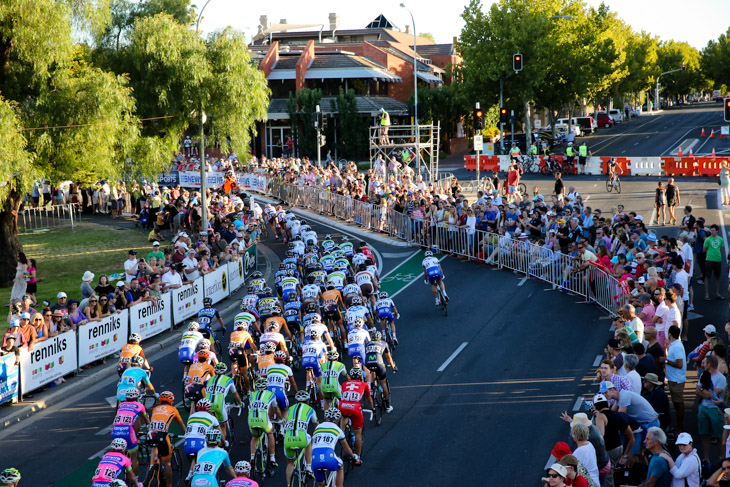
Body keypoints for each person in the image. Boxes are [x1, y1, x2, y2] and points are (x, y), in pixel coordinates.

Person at [147, 391, 186, 487]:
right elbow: (181, 424)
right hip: (162, 435)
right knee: (167, 463)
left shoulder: (155, 409)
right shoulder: (173, 409)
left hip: (151, 434)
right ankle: (169, 485)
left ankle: (153, 463)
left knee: (154, 445)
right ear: (171, 401)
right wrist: (186, 433)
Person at [311, 408, 357, 487]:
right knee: (340, 466)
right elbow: (346, 447)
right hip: (329, 456)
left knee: (320, 485)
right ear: (338, 420)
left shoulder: (318, 427)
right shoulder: (338, 430)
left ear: (325, 418)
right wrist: (354, 456)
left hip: (315, 459)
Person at [697, 354, 727, 468]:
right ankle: (706, 459)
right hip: (704, 409)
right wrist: (708, 394)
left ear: (709, 364)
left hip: (716, 411)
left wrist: (704, 392)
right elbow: (697, 391)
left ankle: (722, 459)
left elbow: (715, 394)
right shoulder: (703, 375)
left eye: (705, 363)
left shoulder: (721, 378)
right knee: (705, 435)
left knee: (720, 437)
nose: (703, 364)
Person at [339, 367, 373, 463]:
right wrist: (373, 409)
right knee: (358, 433)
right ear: (360, 376)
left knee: (344, 415)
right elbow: (369, 399)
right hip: (355, 408)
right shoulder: (364, 384)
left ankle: (341, 433)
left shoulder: (345, 383)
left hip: (343, 405)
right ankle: (357, 458)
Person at [283, 390, 318, 484]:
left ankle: (289, 484)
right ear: (308, 401)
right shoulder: (310, 409)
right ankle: (308, 467)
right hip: (301, 438)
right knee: (309, 441)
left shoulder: (290, 409)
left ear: (295, 401)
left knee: (290, 463)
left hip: (288, 439)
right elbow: (317, 425)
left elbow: (285, 422)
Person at [247, 378, 281, 472]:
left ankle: (252, 458)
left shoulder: (251, 395)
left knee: (255, 436)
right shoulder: (271, 394)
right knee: (270, 433)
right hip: (263, 420)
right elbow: (276, 409)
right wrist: (281, 418)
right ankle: (273, 458)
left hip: (252, 420)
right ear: (267, 387)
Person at [205, 362, 242, 446]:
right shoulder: (229, 380)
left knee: (210, 425)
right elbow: (235, 394)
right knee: (222, 425)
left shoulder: (210, 379)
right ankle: (221, 446)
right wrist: (240, 403)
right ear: (225, 372)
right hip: (219, 405)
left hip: (207, 405)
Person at [665, 325, 686, 433]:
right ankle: (679, 425)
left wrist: (666, 361)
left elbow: (679, 364)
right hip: (674, 379)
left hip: (676, 380)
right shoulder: (675, 345)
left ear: (670, 334)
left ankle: (680, 427)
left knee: (678, 403)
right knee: (677, 403)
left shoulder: (676, 346)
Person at [704, 224, 724, 301]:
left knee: (717, 277)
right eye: (711, 230)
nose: (712, 232)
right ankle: (706, 294)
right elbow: (704, 249)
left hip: (718, 260)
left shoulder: (720, 239)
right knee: (707, 276)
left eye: (713, 230)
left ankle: (717, 293)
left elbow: (720, 249)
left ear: (717, 231)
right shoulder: (708, 239)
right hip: (709, 259)